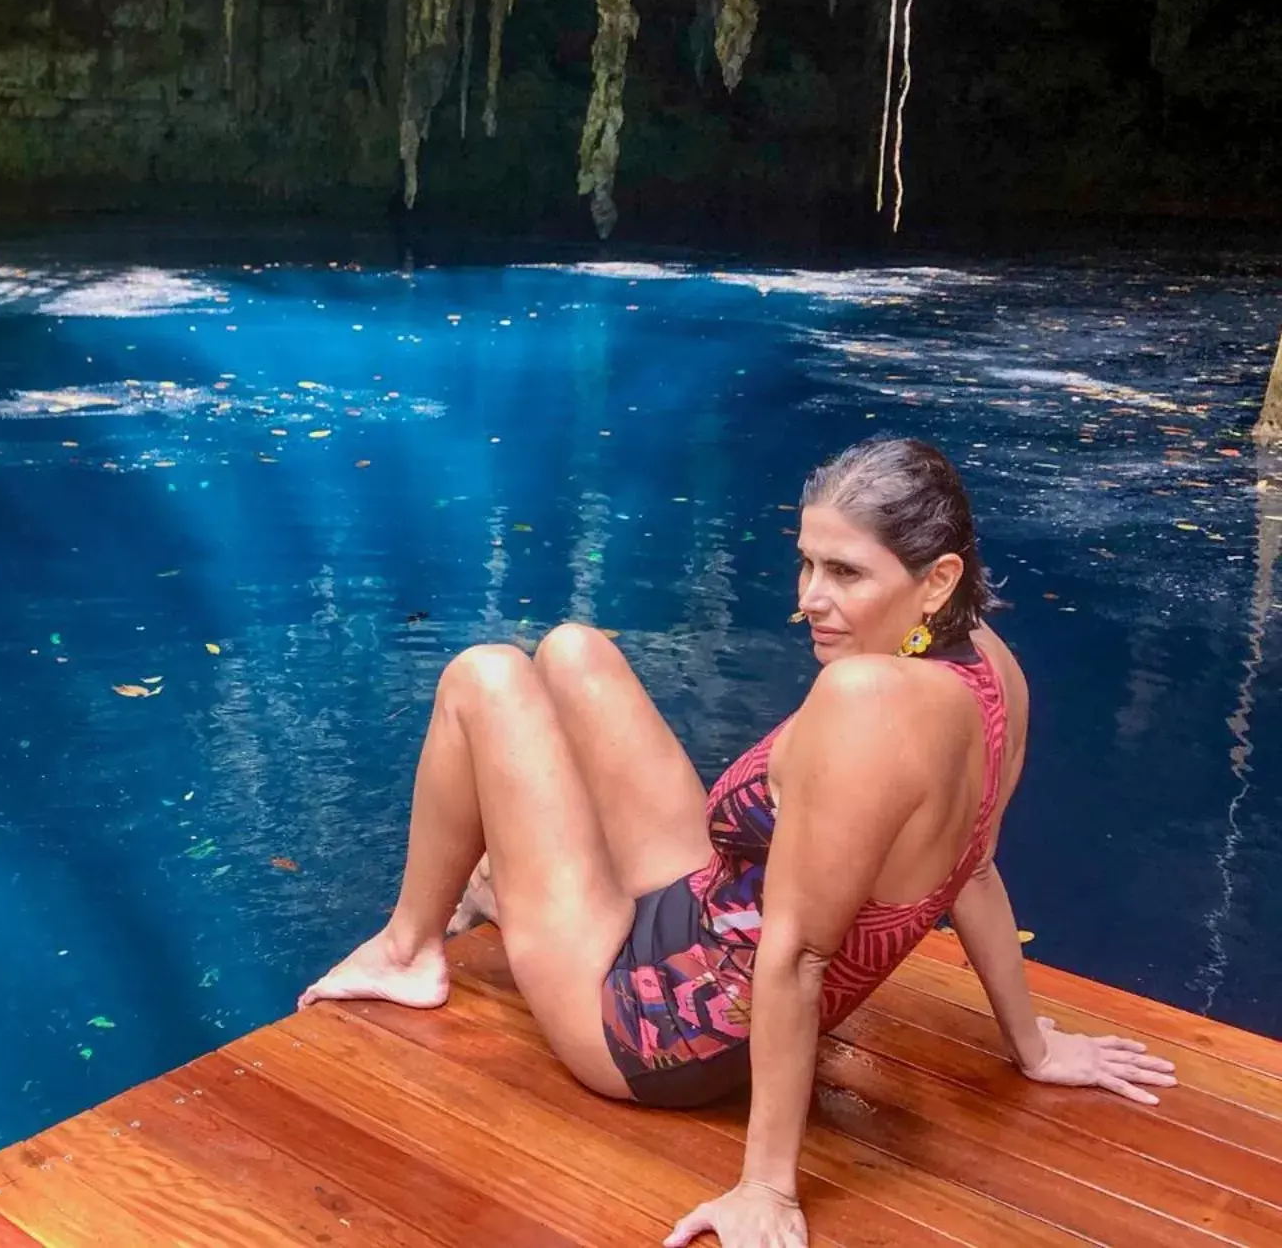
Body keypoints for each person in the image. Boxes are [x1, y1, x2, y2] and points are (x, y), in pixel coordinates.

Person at [299, 438, 1177, 1248]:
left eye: (844, 572)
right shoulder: (988, 665)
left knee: (484, 677)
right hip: (710, 901)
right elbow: (971, 864)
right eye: (806, 562)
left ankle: (410, 950)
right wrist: (1031, 1046)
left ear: (938, 578)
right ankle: (516, 889)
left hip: (655, 1027)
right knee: (570, 652)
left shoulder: (865, 702)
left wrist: (769, 1188)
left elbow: (796, 956)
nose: (808, 601)